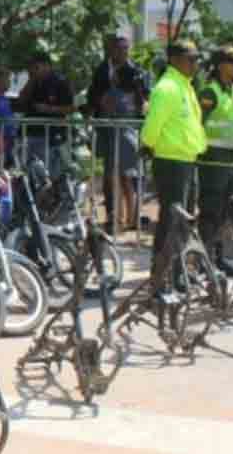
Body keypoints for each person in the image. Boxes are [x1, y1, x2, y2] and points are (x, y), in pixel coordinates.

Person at [140, 40, 206, 286]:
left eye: (197, 59)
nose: (196, 64)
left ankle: (177, 274)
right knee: (170, 222)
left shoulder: (183, 85)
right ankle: (160, 277)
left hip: (185, 160)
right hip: (171, 162)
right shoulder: (167, 87)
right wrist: (149, 144)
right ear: (176, 60)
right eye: (192, 59)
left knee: (183, 222)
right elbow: (152, 128)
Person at [86, 34, 151, 232]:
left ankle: (131, 217)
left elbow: (144, 98)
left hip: (128, 127)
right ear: (110, 50)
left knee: (128, 175)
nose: (123, 52)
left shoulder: (136, 71)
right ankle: (114, 217)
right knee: (110, 173)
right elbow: (92, 96)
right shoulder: (101, 70)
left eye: (126, 48)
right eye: (119, 48)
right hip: (106, 128)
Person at [196, 45, 233, 275]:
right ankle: (204, 261)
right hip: (212, 164)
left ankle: (217, 259)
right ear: (220, 65)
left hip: (230, 163)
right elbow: (197, 125)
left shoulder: (232, 89)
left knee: (224, 214)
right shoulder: (210, 92)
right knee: (210, 214)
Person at [102, 65, 147, 231]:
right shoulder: (137, 95)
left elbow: (104, 107)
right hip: (133, 138)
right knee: (129, 182)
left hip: (118, 139)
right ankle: (132, 218)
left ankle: (118, 220)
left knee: (116, 181)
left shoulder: (114, 93)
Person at [17, 50, 75, 175]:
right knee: (30, 171)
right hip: (30, 133)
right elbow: (21, 101)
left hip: (51, 135)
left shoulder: (60, 82)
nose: (33, 70)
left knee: (49, 172)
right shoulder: (32, 82)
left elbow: (70, 108)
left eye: (36, 67)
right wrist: (31, 81)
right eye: (31, 67)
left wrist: (49, 109)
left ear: (47, 66)